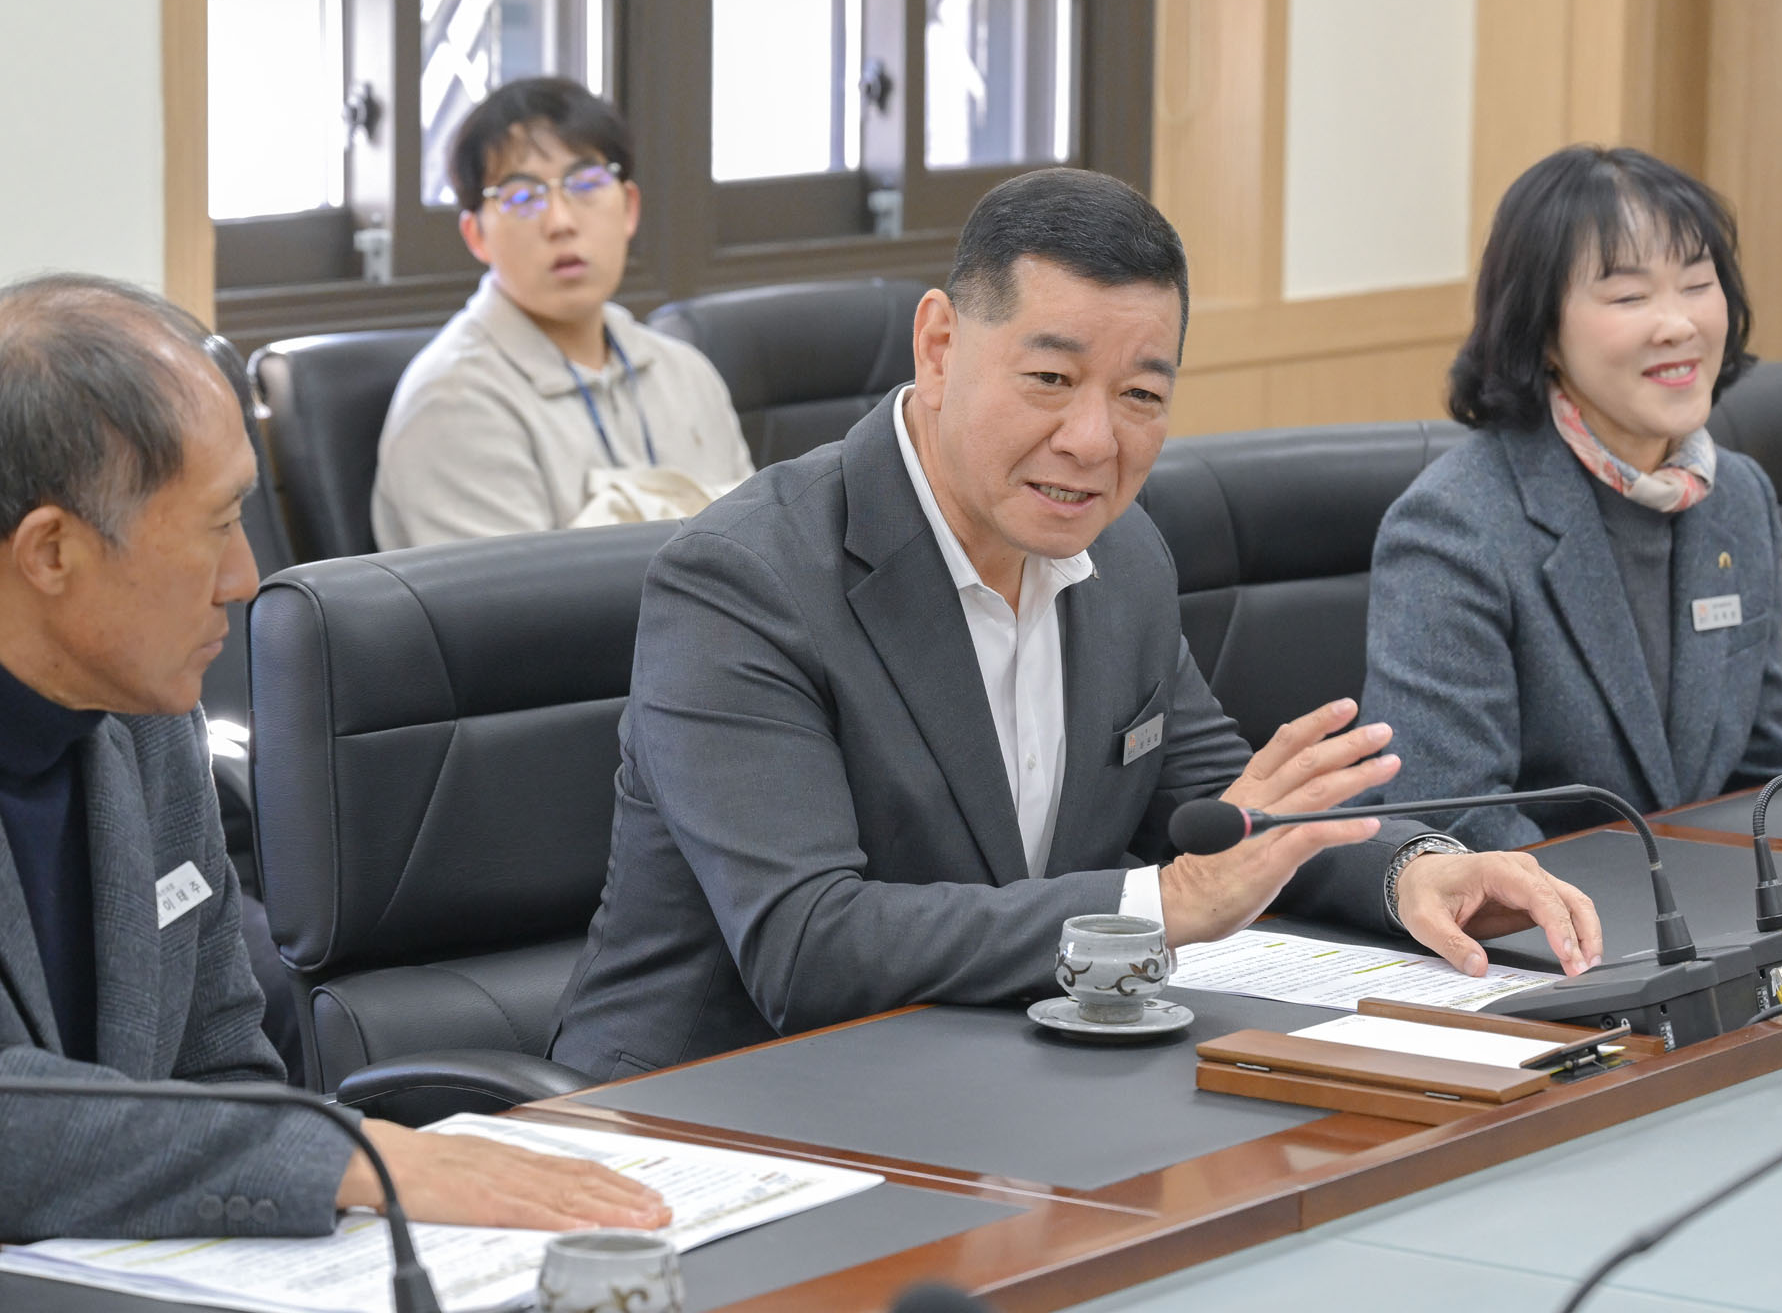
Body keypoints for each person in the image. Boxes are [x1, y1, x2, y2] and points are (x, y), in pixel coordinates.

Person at [549, 169, 1604, 1080]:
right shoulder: (743, 579)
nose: (1094, 441)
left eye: (1141, 394)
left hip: (991, 1077)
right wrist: (1163, 904)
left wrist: (1415, 869)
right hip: (706, 1116)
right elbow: (808, 945)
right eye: (1050, 380)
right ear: (939, 346)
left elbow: (1226, 814)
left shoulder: (1124, 553)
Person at [0, 274, 670, 1241]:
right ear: (51, 553)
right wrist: (348, 1157)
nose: (244, 578)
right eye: (217, 526)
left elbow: (222, 1068)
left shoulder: (142, 716)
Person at [1358, 145, 1782, 850]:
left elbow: (1764, 773)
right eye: (1630, 297)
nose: (1678, 324)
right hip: (1543, 909)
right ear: (1542, 333)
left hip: (1711, 898)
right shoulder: (1454, 525)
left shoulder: (1738, 497)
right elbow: (1454, 816)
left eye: (1698, 283)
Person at [371, 77, 754, 549]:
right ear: (476, 235)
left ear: (629, 208)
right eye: (522, 196)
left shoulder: (686, 373)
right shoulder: (452, 404)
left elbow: (759, 556)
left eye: (586, 183)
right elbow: (514, 595)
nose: (561, 221)